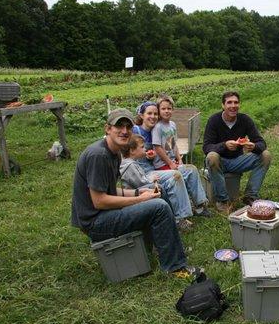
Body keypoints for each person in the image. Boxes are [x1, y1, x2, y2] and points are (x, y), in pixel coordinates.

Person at [70, 108, 198, 278]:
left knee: (159, 192)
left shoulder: (114, 152)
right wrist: (139, 199)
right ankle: (175, 268)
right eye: (119, 126)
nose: (124, 131)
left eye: (128, 127)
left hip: (104, 213)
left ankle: (167, 249)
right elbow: (99, 201)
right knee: (158, 207)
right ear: (107, 128)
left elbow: (109, 190)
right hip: (95, 222)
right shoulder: (98, 155)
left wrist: (139, 191)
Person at [133, 100, 210, 221]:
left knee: (191, 170)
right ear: (141, 115)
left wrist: (177, 158)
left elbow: (170, 143)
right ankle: (181, 217)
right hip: (142, 172)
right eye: (149, 113)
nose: (153, 117)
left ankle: (200, 205)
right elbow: (125, 151)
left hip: (156, 168)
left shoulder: (158, 129)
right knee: (175, 175)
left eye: (155, 114)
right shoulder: (135, 131)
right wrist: (143, 154)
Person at [203, 90, 272, 213]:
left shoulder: (245, 120)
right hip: (220, 162)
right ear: (223, 105)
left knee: (265, 155)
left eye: (236, 102)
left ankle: (250, 196)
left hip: (238, 161)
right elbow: (206, 147)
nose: (233, 106)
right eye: (229, 102)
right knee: (212, 156)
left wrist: (253, 146)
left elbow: (262, 143)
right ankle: (223, 201)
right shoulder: (214, 120)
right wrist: (224, 145)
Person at [120, 134, 194, 230]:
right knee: (161, 188)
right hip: (137, 196)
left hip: (141, 190)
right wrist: (152, 179)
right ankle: (173, 219)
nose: (145, 149)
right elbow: (141, 183)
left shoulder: (131, 163)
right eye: (142, 147)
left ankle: (177, 217)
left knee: (169, 183)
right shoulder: (130, 165)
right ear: (132, 151)